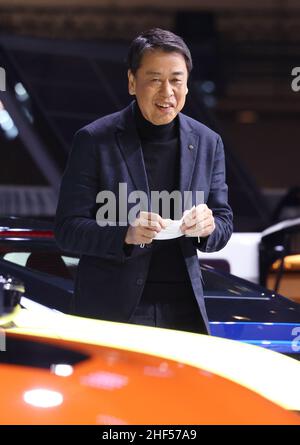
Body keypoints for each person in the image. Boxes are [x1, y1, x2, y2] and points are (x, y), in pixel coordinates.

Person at [54, 28, 233, 335]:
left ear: (188, 85)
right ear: (132, 82)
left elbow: (224, 221)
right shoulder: (94, 140)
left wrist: (209, 227)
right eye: (154, 79)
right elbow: (68, 230)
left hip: (184, 312)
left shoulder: (208, 142)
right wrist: (126, 234)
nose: (167, 93)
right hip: (113, 312)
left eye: (176, 80)